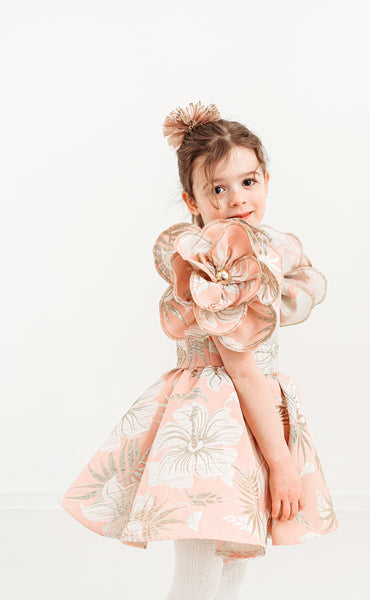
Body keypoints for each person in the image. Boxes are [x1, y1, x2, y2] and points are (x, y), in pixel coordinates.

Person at [60, 100, 340, 599]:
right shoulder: (213, 259)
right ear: (192, 200)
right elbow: (242, 368)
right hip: (211, 423)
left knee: (229, 564)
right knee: (199, 572)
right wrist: (281, 463)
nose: (237, 198)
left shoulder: (258, 250)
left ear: (266, 179)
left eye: (248, 181)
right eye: (217, 188)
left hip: (248, 420)